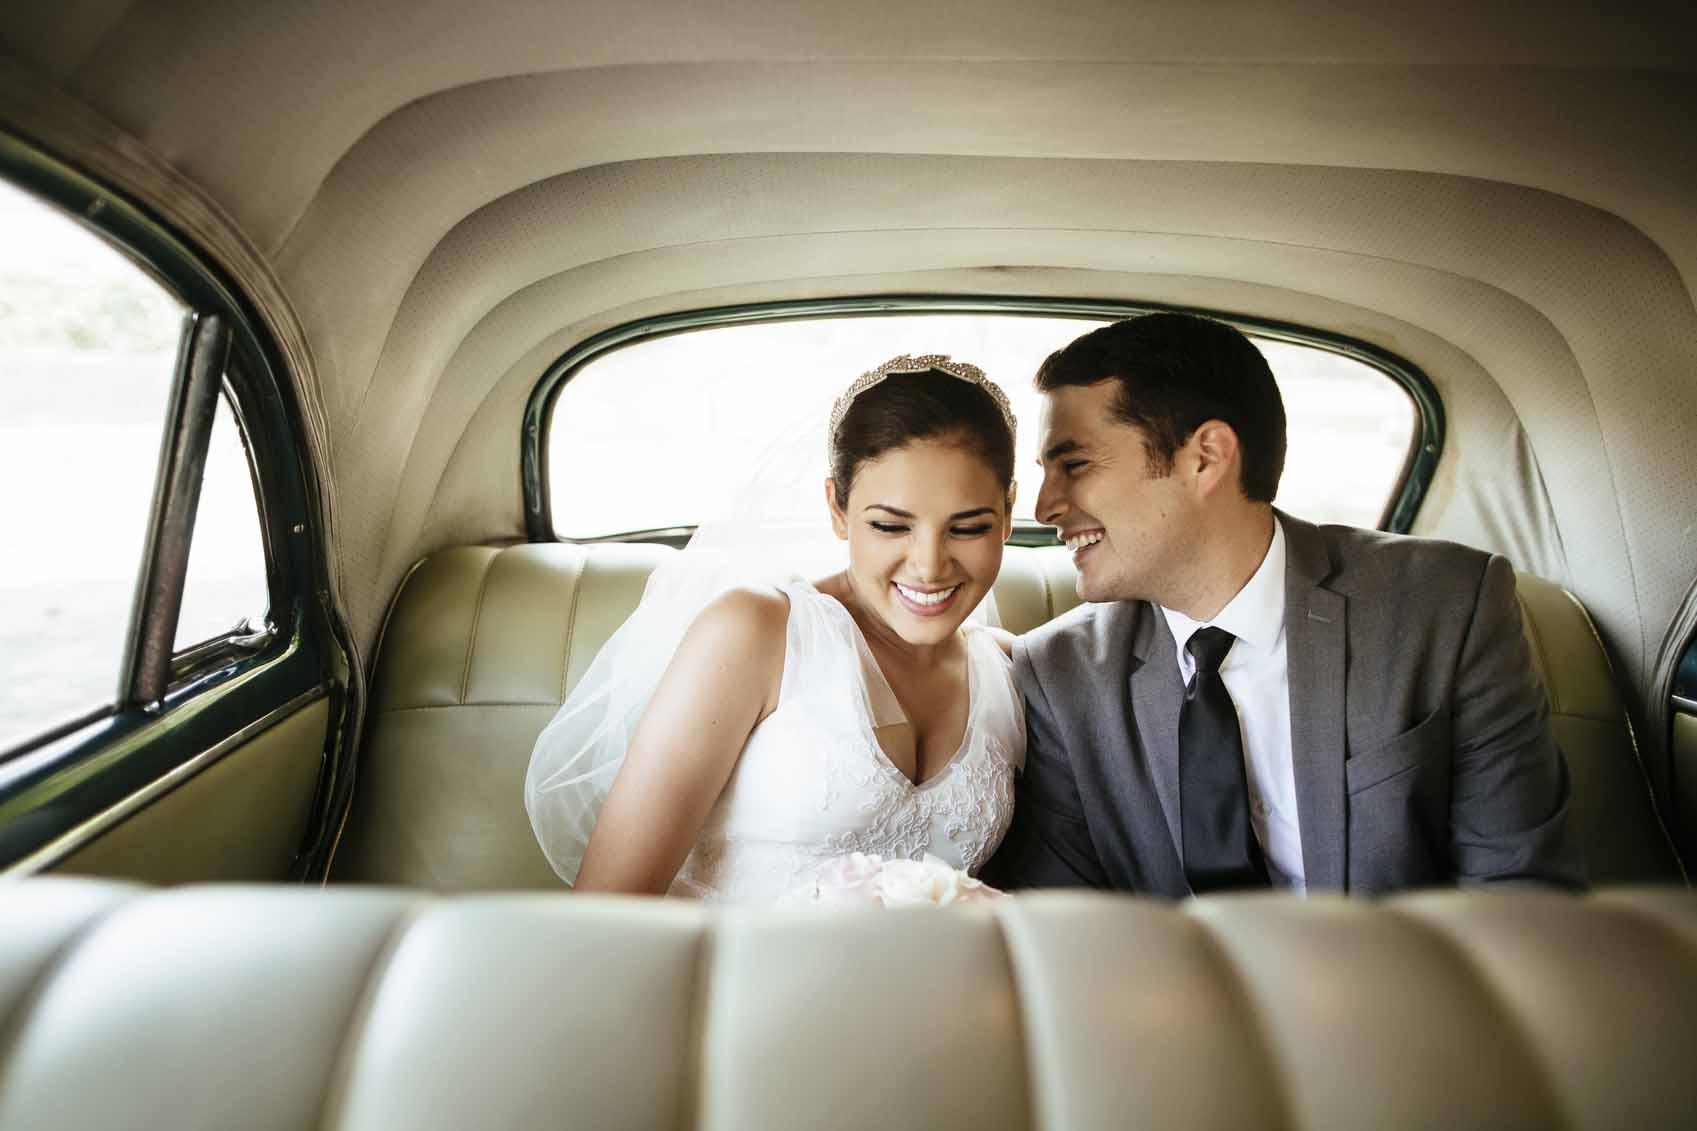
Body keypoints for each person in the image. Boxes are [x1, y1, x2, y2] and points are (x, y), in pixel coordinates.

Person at [982, 313, 1583, 896]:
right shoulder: (1059, 673)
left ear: (1206, 457)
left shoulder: (1443, 607)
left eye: (1075, 464)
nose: (1048, 505)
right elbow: (1065, 922)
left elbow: (1515, 894)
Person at [525, 355, 1026, 902]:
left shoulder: (1008, 671)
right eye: (889, 525)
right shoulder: (756, 632)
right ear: (837, 507)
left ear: (1007, 510)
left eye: (969, 527)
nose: (929, 566)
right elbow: (609, 905)